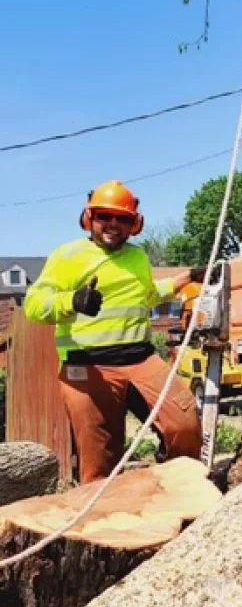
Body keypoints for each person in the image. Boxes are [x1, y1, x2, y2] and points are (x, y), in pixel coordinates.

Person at [24, 181, 203, 483]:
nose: (113, 224)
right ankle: (98, 524)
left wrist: (182, 280)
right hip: (87, 366)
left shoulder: (138, 257)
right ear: (88, 218)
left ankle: (177, 493)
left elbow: (144, 295)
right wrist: (72, 301)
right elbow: (33, 304)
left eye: (123, 218)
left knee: (184, 427)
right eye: (105, 216)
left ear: (135, 224)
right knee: (98, 461)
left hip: (141, 359)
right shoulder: (67, 256)